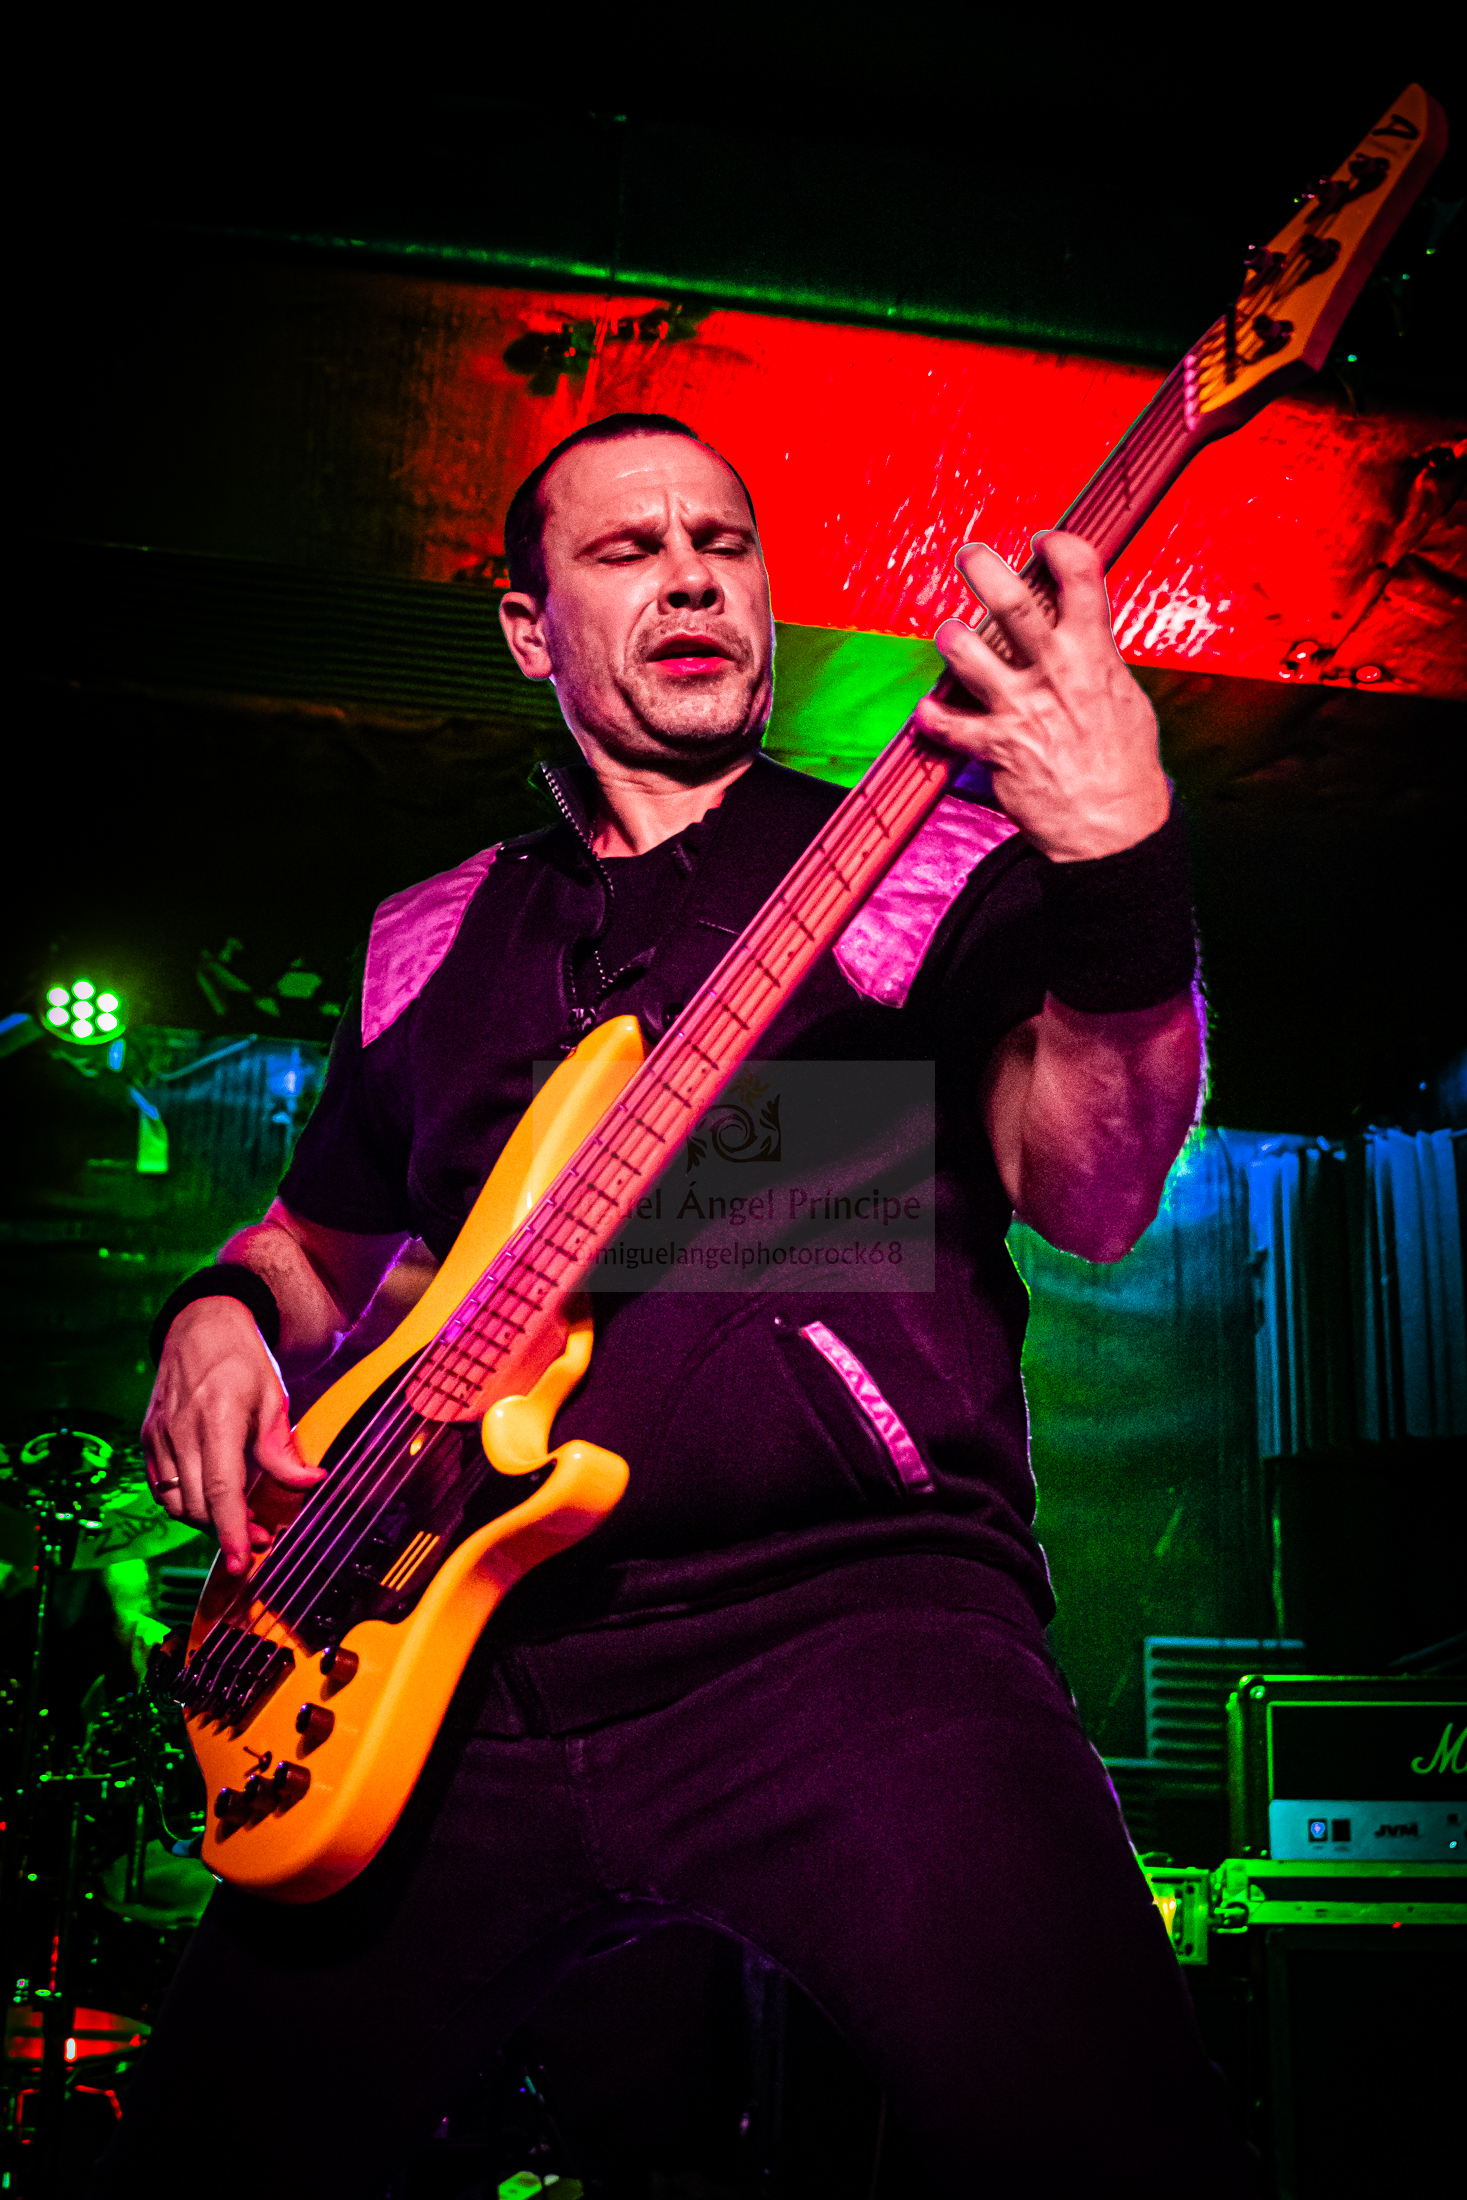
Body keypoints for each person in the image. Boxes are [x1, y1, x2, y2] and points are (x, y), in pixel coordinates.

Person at [107, 413, 1253, 2195]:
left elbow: (1094, 1193)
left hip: (852, 1635)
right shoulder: (434, 934)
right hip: (452, 1664)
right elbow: (313, 1246)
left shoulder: (922, 859)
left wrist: (1122, 872)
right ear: (527, 626)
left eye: (723, 543)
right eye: (629, 551)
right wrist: (219, 1318)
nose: (694, 577)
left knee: (1118, 2151)